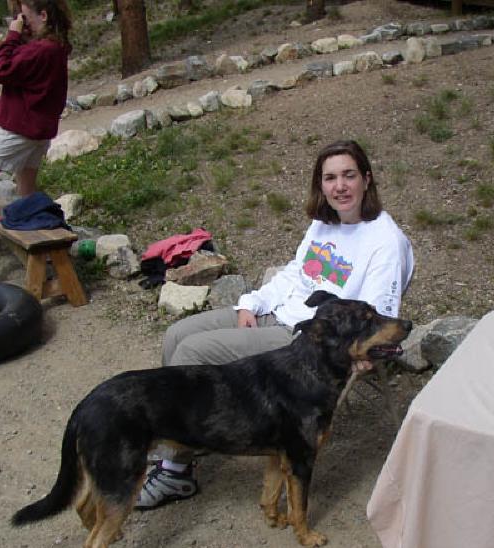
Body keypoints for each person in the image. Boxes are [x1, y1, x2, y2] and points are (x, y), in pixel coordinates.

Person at [135, 139, 415, 510]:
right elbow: (295, 277)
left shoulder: (385, 241)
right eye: (330, 178)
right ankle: (185, 443)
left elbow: (379, 314)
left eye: (349, 175)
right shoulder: (323, 224)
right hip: (278, 313)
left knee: (191, 352)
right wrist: (252, 303)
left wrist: (365, 355)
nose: (340, 186)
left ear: (367, 179)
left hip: (305, 344)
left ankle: (174, 470)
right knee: (177, 334)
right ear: (321, 184)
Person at [0, 0, 72, 281]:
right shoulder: (56, 47)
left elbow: (0, 71)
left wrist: (11, 36)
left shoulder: (39, 49)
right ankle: (36, 253)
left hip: (15, 128)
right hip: (39, 132)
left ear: (43, 15)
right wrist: (20, 37)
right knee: (27, 191)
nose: (21, 22)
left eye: (25, 16)